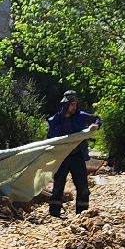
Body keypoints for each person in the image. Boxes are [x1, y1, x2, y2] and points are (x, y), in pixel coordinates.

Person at [45, 89, 100, 217]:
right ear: (65, 105)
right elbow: (51, 140)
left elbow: (97, 119)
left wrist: (95, 126)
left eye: (76, 104)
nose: (74, 107)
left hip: (77, 156)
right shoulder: (55, 120)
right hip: (61, 157)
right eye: (72, 104)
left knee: (83, 187)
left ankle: (82, 214)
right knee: (58, 186)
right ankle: (54, 214)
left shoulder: (81, 116)